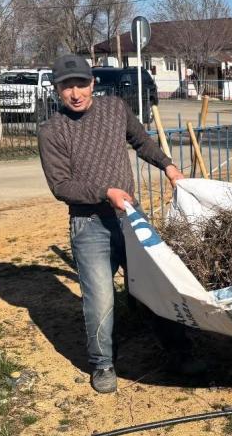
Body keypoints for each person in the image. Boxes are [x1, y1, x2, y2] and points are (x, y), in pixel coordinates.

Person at [38, 54, 196, 394]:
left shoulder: (114, 109)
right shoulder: (51, 131)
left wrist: (168, 167)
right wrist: (104, 191)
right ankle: (103, 363)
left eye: (81, 84)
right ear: (57, 91)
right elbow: (61, 186)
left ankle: (180, 351)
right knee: (101, 300)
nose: (75, 93)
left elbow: (140, 140)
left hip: (131, 220)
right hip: (89, 226)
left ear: (93, 83)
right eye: (67, 87)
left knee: (158, 286)